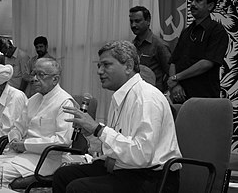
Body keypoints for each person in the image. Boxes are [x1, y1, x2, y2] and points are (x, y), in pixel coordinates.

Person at [52, 41, 181, 193]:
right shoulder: (118, 97)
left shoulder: (147, 98)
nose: (99, 71)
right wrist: (91, 134)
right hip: (125, 168)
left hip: (153, 177)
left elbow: (141, 156)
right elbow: (117, 146)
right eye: (98, 66)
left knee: (78, 188)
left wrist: (98, 129)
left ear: (128, 66)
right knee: (63, 175)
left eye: (106, 65)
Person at [0, 57, 76, 185]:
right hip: (21, 155)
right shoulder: (34, 99)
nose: (34, 78)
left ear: (55, 79)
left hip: (46, 159)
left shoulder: (65, 102)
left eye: (40, 74)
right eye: (34, 73)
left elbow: (62, 141)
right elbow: (18, 127)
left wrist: (25, 144)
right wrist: (14, 139)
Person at [167, 0, 229, 103]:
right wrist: (175, 85)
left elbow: (207, 63)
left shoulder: (217, 31)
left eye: (198, 0)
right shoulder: (186, 32)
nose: (193, 4)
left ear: (210, 6)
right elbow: (173, 61)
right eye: (192, 0)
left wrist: (176, 77)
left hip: (204, 98)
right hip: (180, 97)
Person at [129, 6, 171, 92]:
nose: (133, 25)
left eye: (137, 21)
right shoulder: (132, 46)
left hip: (153, 93)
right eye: (131, 21)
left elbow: (171, 73)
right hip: (135, 92)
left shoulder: (160, 45)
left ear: (148, 21)